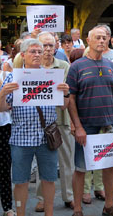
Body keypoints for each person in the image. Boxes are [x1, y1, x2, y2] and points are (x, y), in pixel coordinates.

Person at [0, 38, 70, 216]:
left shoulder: (51, 77)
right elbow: (1, 109)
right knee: (21, 181)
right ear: (23, 55)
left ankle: (49, 214)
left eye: (39, 51)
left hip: (46, 137)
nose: (38, 54)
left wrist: (66, 92)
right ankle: (21, 212)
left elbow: (64, 106)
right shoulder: (12, 77)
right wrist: (2, 93)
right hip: (21, 137)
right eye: (33, 51)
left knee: (49, 179)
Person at [66, 26, 113, 216]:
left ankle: (109, 206)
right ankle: (77, 208)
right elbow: (71, 98)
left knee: (108, 167)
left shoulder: (110, 65)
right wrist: (78, 126)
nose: (101, 41)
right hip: (86, 125)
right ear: (88, 41)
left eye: (104, 38)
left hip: (108, 125)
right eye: (97, 38)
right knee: (81, 168)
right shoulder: (77, 66)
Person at [34, 31, 75, 212]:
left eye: (51, 45)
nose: (48, 49)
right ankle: (42, 198)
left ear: (55, 47)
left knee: (67, 159)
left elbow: (67, 95)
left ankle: (69, 196)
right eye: (44, 45)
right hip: (39, 121)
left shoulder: (64, 66)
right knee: (42, 161)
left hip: (60, 119)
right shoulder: (32, 68)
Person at [0, 69, 14, 216]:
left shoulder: (3, 75)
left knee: (4, 168)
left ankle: (7, 207)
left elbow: (7, 103)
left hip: (2, 126)